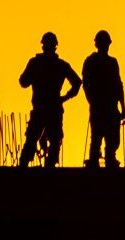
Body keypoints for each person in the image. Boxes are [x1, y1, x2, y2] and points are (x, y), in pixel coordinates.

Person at [16, 31, 81, 168]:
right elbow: (77, 82)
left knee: (37, 138)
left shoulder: (36, 63)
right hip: (51, 108)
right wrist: (64, 98)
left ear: (43, 46)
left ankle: (25, 166)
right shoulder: (60, 65)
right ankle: (45, 166)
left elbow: (23, 82)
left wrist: (64, 97)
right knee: (50, 140)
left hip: (43, 108)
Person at [80, 29, 125, 167]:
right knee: (96, 138)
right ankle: (94, 162)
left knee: (112, 140)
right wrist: (93, 101)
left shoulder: (112, 62)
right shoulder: (91, 61)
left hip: (111, 107)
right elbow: (86, 84)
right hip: (99, 107)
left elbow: (118, 85)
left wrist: (123, 108)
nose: (105, 46)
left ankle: (109, 160)